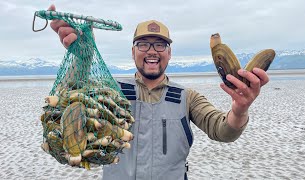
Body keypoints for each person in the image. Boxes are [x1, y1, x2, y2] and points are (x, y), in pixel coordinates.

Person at [48, 4, 269, 180]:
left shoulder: (186, 97)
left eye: (160, 45)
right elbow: (69, 102)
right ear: (133, 52)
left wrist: (240, 110)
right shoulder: (111, 91)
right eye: (143, 44)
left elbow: (222, 130)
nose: (152, 51)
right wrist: (82, 55)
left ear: (169, 53)